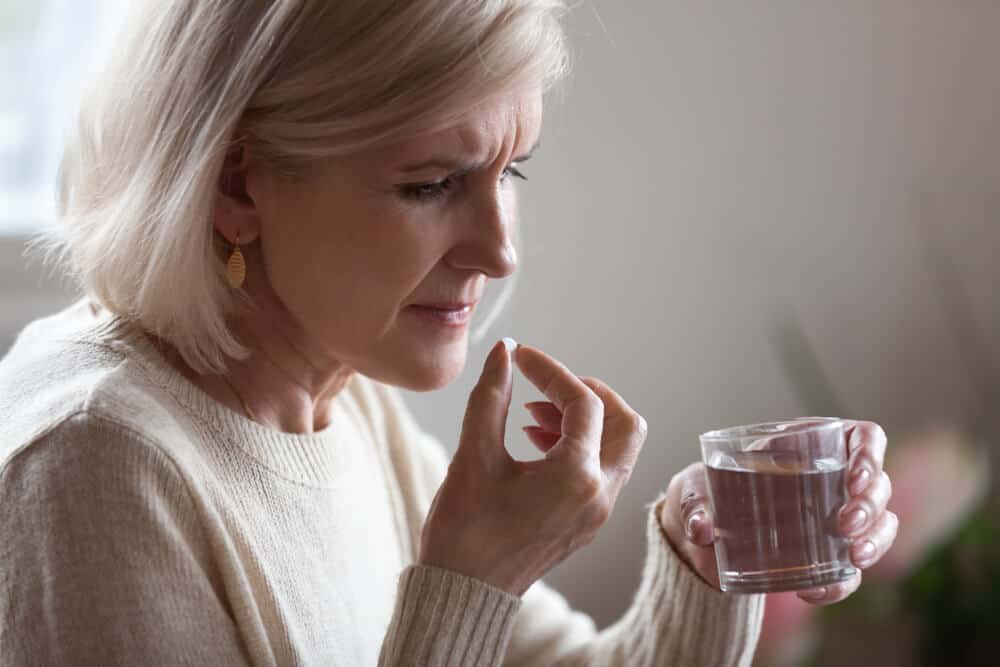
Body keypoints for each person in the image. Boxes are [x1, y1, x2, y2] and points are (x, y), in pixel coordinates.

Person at [0, 1, 898, 665]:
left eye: (513, 170)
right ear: (237, 186)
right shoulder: (93, 468)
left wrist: (708, 555)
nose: (502, 252)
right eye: (431, 184)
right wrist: (471, 582)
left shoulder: (338, 397)